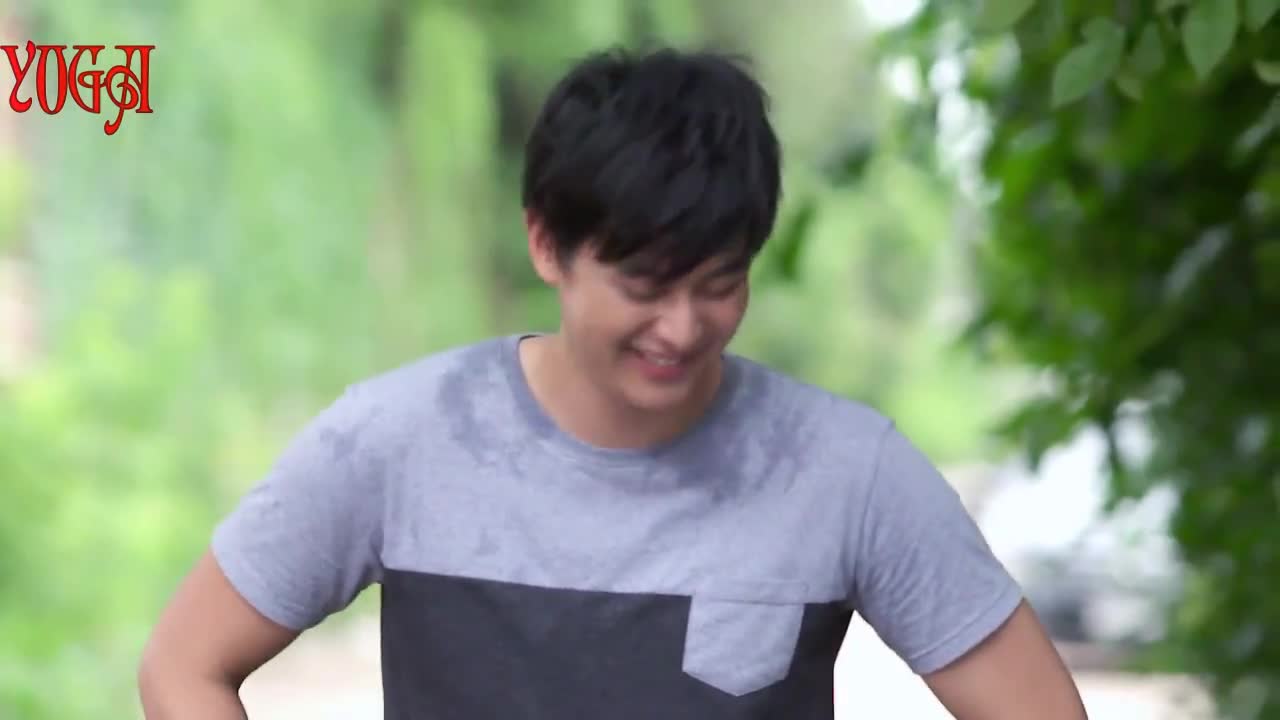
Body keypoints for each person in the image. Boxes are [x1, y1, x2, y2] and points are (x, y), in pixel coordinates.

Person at [137, 47, 1088, 719]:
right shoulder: (395, 443)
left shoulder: (846, 472)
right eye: (644, 286)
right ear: (546, 243)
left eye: (719, 285)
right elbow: (183, 666)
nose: (683, 327)